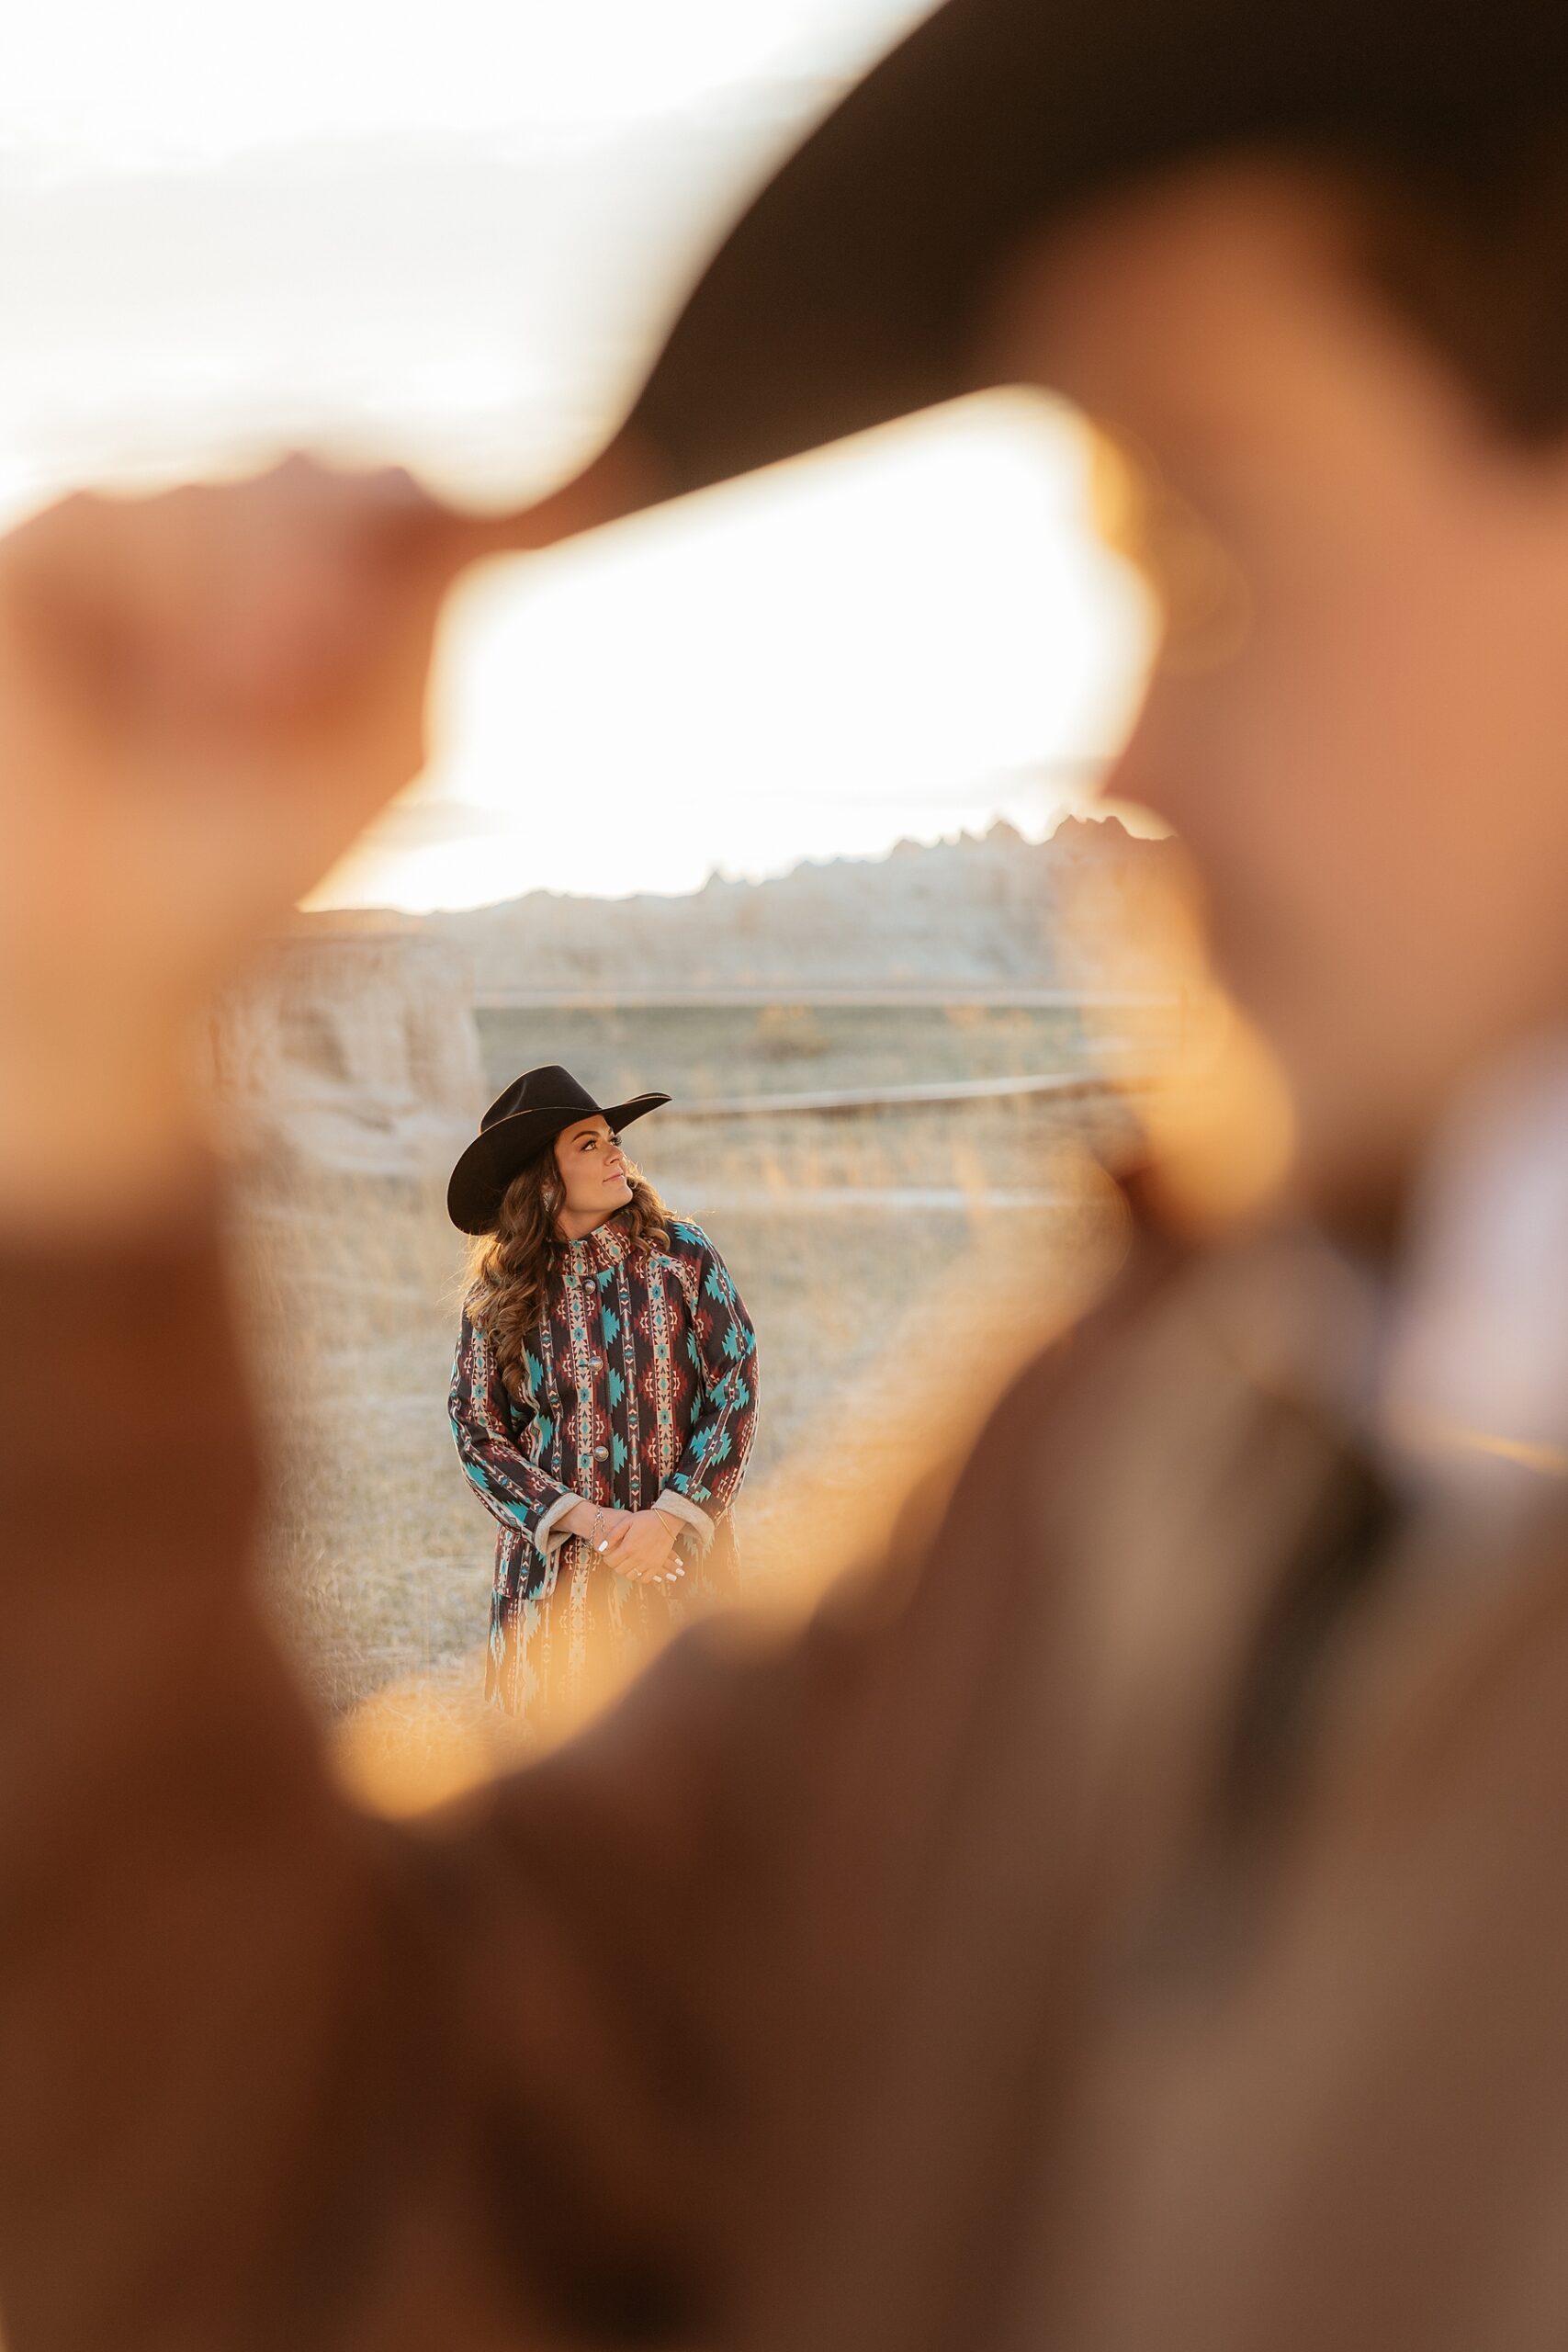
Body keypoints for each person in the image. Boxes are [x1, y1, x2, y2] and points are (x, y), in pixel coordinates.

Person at [14, 4, 1568, 2348]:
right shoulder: (1112, 1482)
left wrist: (679, 1490)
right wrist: (61, 1070)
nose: (1124, 747)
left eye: (1208, 554)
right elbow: (262, 2234)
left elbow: (712, 1358)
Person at [446, 1064, 757, 1726]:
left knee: (691, 1759)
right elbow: (477, 1433)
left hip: (677, 1569)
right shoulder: (498, 1295)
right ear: (543, 1181)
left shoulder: (680, 1255)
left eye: (611, 1136)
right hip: (557, 1583)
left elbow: (734, 1387)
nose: (616, 1151)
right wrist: (595, 1524)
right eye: (588, 1143)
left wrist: (666, 1520)